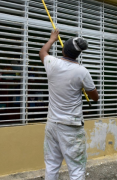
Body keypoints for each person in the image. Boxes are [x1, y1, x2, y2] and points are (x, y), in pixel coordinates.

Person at [40, 30, 99, 180]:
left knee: (52, 165)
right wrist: (82, 87)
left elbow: (43, 51)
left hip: (52, 124)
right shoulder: (82, 72)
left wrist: (52, 38)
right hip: (71, 127)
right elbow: (95, 97)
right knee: (76, 168)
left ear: (63, 49)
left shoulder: (52, 63)